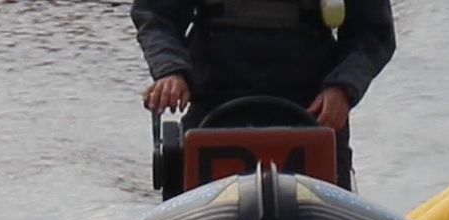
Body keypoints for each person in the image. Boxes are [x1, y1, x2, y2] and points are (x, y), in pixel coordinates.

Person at [130, 0, 396, 189]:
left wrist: (342, 88)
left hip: (313, 109)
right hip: (213, 102)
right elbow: (157, 17)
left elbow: (372, 34)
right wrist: (171, 72)